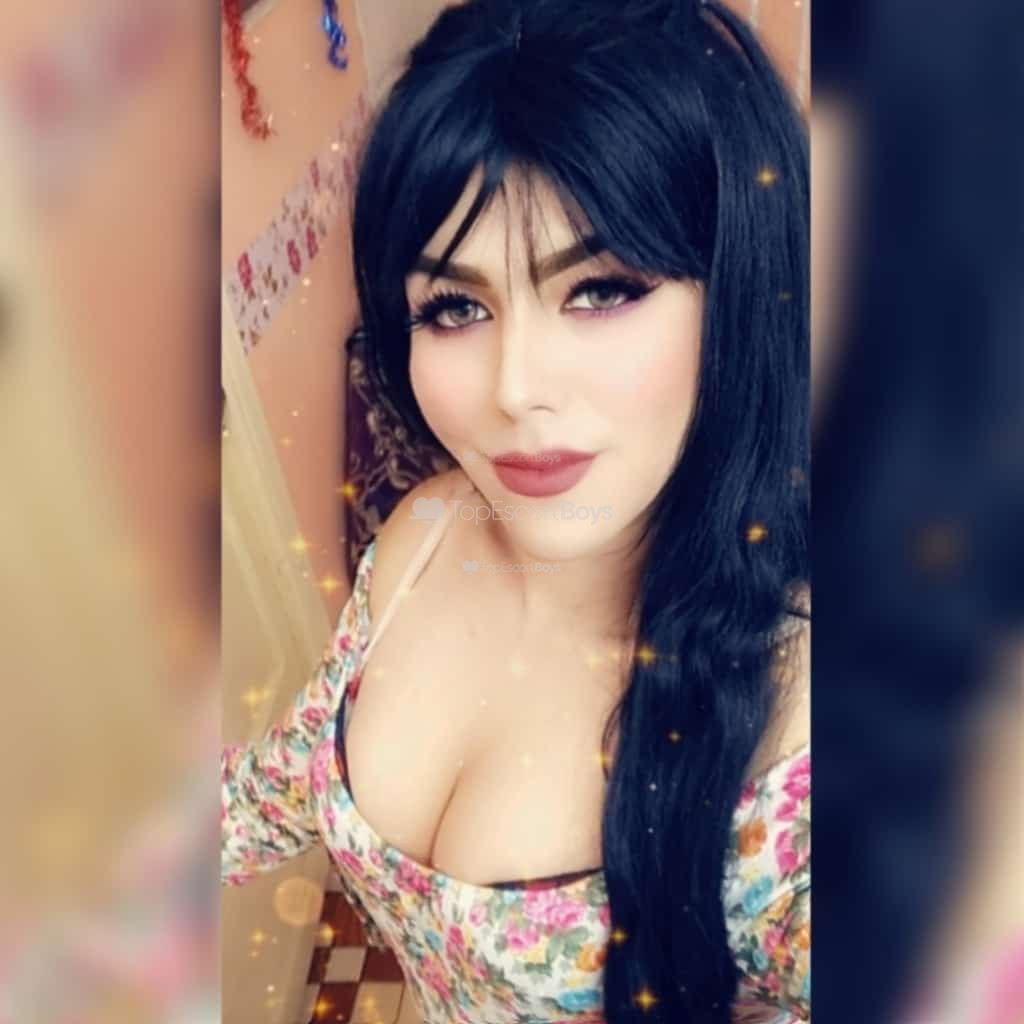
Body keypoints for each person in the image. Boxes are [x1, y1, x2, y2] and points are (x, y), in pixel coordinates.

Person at [222, 0, 810, 1021]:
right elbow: (278, 784)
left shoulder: (806, 754)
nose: (514, 389)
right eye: (455, 307)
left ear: (739, 289)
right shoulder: (426, 532)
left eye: (600, 291)